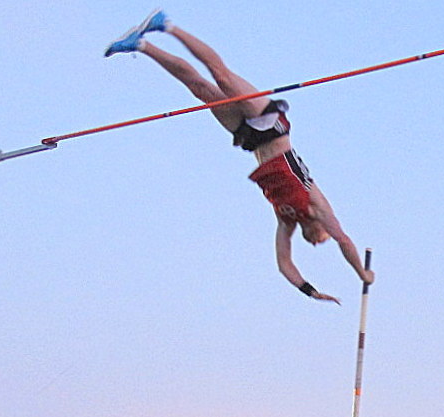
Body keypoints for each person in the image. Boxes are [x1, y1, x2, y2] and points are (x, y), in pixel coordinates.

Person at [104, 10, 375, 303]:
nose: (317, 243)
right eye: (323, 239)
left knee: (201, 89)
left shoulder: (286, 222)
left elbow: (284, 265)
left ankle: (141, 46)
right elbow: (344, 241)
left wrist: (311, 291)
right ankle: (166, 25)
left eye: (315, 243)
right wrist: (362, 273)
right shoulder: (318, 208)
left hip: (251, 140)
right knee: (221, 75)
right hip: (272, 126)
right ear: (323, 229)